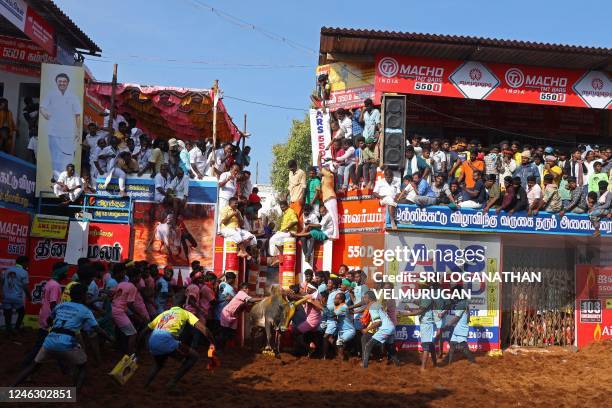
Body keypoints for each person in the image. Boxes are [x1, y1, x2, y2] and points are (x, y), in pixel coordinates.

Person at [14, 283, 114, 390]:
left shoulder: (60, 305)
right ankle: (74, 392)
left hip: (50, 340)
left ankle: (11, 387)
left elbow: (49, 320)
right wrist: (111, 339)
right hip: (67, 342)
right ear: (82, 296)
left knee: (34, 366)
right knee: (82, 366)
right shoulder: (85, 310)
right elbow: (97, 329)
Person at [143, 305, 216, 389]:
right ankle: (172, 383)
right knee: (194, 356)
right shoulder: (186, 313)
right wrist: (213, 342)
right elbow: (204, 329)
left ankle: (145, 385)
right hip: (166, 339)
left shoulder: (164, 313)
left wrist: (136, 349)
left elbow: (145, 330)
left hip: (153, 339)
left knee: (158, 364)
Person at [39, 73, 82, 179]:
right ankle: (56, 176)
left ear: (68, 83)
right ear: (56, 82)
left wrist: (77, 130)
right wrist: (45, 114)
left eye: (64, 81)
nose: (62, 83)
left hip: (68, 132)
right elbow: (42, 107)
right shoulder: (51, 94)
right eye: (60, 81)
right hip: (53, 131)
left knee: (68, 156)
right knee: (55, 155)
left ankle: (66, 177)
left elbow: (77, 115)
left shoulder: (73, 96)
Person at [358, 291, 399, 368]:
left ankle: (364, 365)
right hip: (391, 327)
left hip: (385, 329)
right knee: (390, 348)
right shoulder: (377, 304)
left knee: (368, 346)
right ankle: (398, 364)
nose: (364, 299)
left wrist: (367, 329)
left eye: (365, 297)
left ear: (369, 298)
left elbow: (378, 322)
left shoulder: (373, 307)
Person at [112, 268, 148, 355]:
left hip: (115, 309)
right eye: (139, 276)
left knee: (123, 331)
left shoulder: (122, 283)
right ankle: (129, 355)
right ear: (135, 277)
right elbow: (130, 304)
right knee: (133, 333)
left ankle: (123, 351)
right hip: (119, 311)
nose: (140, 278)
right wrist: (139, 315)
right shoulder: (133, 287)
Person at [437, 287, 475, 365]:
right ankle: (450, 363)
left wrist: (447, 325)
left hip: (461, 328)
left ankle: (472, 362)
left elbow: (456, 318)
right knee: (452, 344)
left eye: (452, 293)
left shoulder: (461, 303)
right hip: (459, 327)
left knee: (463, 346)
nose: (451, 294)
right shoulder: (462, 302)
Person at [219, 282, 262, 348]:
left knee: (232, 332)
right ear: (245, 289)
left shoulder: (243, 295)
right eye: (248, 289)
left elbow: (249, 304)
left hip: (234, 315)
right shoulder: (241, 293)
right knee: (225, 332)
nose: (249, 291)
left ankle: (229, 347)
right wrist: (264, 298)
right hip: (227, 313)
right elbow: (251, 300)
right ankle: (220, 348)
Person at [1, 256, 30, 334]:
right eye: (27, 263)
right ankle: (16, 328)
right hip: (16, 297)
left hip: (6, 297)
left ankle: (8, 330)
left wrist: (2, 292)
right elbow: (25, 287)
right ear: (24, 263)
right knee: (22, 312)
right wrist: (29, 296)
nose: (27, 265)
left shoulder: (7, 270)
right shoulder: (24, 272)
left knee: (7, 314)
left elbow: (2, 282)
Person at [268, 200, 299, 266]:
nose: (282, 209)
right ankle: (278, 257)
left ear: (287, 205)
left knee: (274, 239)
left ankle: (280, 257)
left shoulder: (291, 211)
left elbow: (295, 221)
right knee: (272, 240)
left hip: (290, 232)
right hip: (284, 232)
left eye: (283, 207)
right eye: (281, 207)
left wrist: (287, 228)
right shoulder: (285, 213)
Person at [318, 152, 339, 240]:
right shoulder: (327, 176)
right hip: (327, 199)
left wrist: (319, 156)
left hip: (330, 198)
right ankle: (331, 233)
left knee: (334, 217)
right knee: (329, 217)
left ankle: (336, 235)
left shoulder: (328, 175)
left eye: (327, 166)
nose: (325, 167)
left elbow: (319, 165)